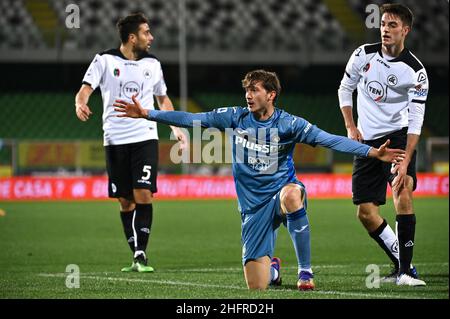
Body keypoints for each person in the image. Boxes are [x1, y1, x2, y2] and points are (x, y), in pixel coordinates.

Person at [114, 70, 405, 290]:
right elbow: (191, 119)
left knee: (292, 195)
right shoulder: (236, 117)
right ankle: (273, 269)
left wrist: (371, 152)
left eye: (254, 90)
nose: (248, 95)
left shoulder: (290, 124)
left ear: (271, 94)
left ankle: (306, 271)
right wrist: (147, 113)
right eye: (246, 91)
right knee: (258, 286)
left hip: (281, 193)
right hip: (252, 209)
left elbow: (329, 140)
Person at [75, 13, 187, 273]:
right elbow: (86, 88)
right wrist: (80, 102)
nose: (152, 37)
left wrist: (175, 127)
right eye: (147, 32)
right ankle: (135, 253)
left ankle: (141, 254)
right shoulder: (104, 60)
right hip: (114, 139)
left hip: (145, 136)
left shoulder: (153, 64)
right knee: (125, 201)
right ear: (132, 37)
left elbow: (163, 99)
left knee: (143, 193)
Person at [338, 4, 428, 286]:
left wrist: (406, 161)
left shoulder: (415, 71)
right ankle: (402, 263)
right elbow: (345, 88)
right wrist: (351, 127)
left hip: (398, 137)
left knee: (403, 188)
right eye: (383, 24)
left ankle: (405, 272)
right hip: (367, 141)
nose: (385, 29)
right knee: (365, 212)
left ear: (405, 30)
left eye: (392, 25)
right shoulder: (362, 54)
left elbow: (416, 121)